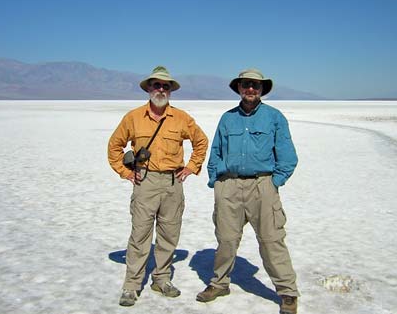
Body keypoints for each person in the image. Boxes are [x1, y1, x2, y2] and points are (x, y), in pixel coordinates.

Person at [196, 68, 299, 314]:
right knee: (226, 240)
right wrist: (217, 182)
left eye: (255, 85)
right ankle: (220, 284)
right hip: (229, 186)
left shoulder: (274, 117)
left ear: (262, 89)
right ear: (239, 88)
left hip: (262, 186)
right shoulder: (227, 118)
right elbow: (216, 153)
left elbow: (288, 157)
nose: (250, 89)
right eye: (246, 85)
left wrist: (274, 183)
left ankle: (287, 292)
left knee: (271, 240)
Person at [108, 66, 208, 307]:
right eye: (157, 85)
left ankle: (161, 279)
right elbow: (114, 147)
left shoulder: (182, 118)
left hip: (173, 182)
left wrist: (191, 167)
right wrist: (125, 172)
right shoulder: (133, 117)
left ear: (170, 90)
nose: (161, 89)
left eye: (165, 86)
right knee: (140, 234)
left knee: (168, 234)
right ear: (149, 88)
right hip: (145, 181)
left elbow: (201, 142)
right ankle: (131, 286)